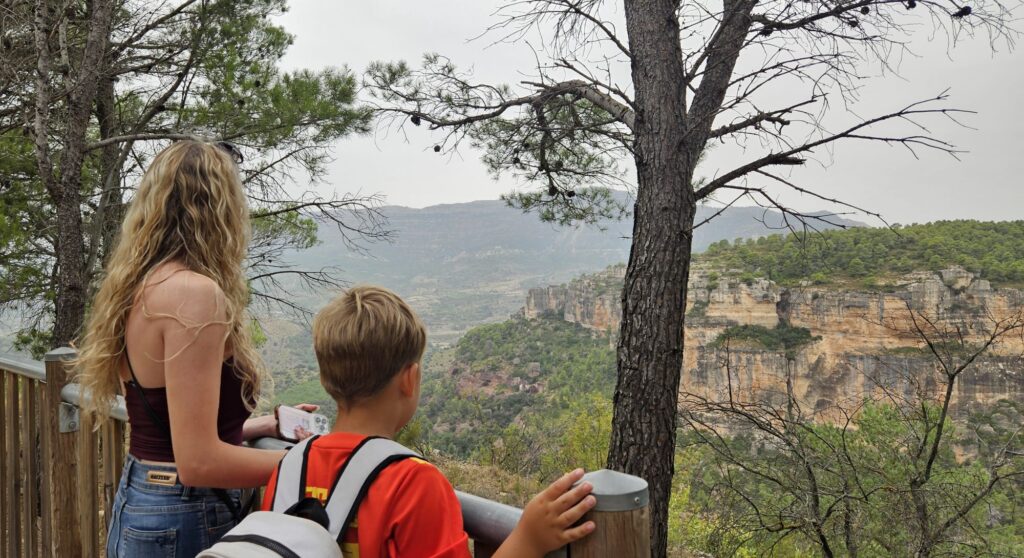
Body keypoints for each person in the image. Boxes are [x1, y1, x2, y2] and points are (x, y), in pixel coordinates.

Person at [76, 140, 316, 558]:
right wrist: (322, 464)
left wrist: (258, 428)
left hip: (149, 499)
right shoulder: (194, 294)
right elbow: (198, 461)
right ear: (220, 208)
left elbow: (175, 427)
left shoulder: (144, 284)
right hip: (183, 513)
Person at [261, 285, 597, 557]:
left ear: (324, 378)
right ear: (410, 379)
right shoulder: (413, 483)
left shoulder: (290, 467)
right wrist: (528, 538)